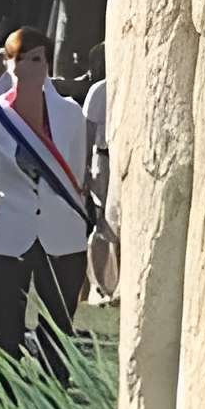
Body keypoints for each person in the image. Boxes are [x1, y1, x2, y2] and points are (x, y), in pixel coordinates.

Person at [0, 26, 96, 380]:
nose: (29, 67)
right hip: (7, 232)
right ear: (7, 62)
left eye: (37, 58)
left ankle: (55, 408)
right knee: (6, 335)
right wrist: (12, 202)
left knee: (58, 333)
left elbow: (76, 170)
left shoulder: (71, 113)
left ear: (48, 63)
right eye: (20, 59)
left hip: (62, 233)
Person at [79, 51, 117, 304]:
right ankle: (101, 284)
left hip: (124, 159)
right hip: (103, 158)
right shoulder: (99, 91)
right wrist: (84, 169)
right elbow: (88, 133)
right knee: (103, 222)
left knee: (121, 224)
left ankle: (117, 282)